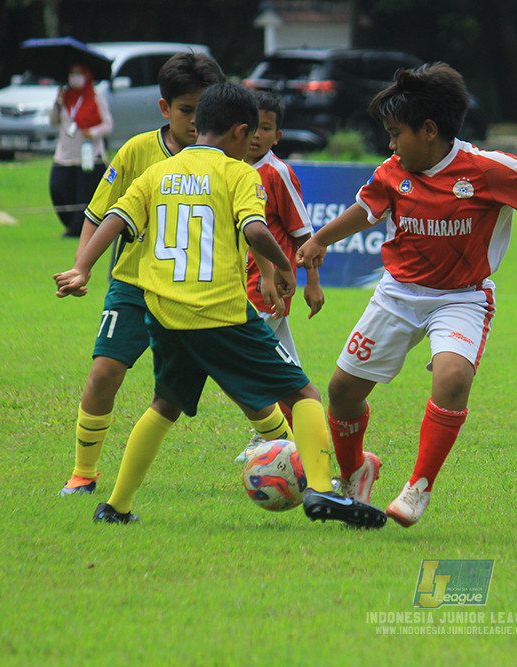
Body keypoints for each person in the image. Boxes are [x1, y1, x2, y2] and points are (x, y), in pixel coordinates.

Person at [53, 82, 386, 529]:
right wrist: (283, 266)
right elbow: (253, 229)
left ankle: (116, 505)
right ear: (240, 132)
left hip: (165, 311)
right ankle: (323, 492)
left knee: (165, 404)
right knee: (302, 392)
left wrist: (84, 269)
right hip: (220, 312)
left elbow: (116, 218)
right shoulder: (239, 173)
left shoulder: (158, 173)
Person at [296, 63, 517, 527]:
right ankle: (357, 470)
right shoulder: (393, 172)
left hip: (462, 297)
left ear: (429, 130)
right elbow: (365, 209)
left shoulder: (484, 169)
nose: (390, 144)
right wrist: (320, 240)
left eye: (396, 133)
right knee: (342, 391)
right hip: (397, 294)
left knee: (453, 378)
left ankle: (418, 488)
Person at [57, 51, 226, 497]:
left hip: (197, 293)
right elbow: (99, 212)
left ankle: (288, 458)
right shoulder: (137, 151)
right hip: (132, 285)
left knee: (236, 382)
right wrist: (81, 268)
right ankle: (83, 472)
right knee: (104, 373)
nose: (195, 121)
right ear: (164, 108)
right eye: (186, 110)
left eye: (203, 110)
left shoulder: (226, 160)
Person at [235, 91, 324, 460]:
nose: (257, 134)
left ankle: (268, 435)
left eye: (266, 128)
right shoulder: (234, 168)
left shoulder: (278, 173)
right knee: (285, 364)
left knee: (248, 361)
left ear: (278, 136)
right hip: (242, 283)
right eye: (252, 126)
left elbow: (305, 234)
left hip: (269, 286)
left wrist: (313, 283)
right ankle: (303, 429)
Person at [50, 63, 113, 237]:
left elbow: (108, 124)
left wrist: (92, 132)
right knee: (58, 189)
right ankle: (69, 224)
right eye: (72, 73)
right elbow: (53, 121)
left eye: (79, 74)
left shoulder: (96, 98)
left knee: (83, 196)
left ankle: (78, 231)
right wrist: (57, 102)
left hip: (88, 155)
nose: (75, 77)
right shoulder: (65, 98)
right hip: (64, 155)